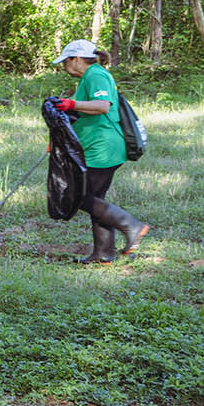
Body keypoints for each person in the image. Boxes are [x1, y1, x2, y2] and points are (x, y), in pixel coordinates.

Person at [54, 39, 151, 263]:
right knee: (97, 200)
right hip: (96, 145)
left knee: (80, 197)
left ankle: (132, 226)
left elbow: (102, 106)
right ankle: (103, 254)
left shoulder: (96, 75)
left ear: (76, 59)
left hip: (103, 146)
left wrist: (70, 105)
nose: (64, 67)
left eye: (65, 62)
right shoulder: (89, 77)